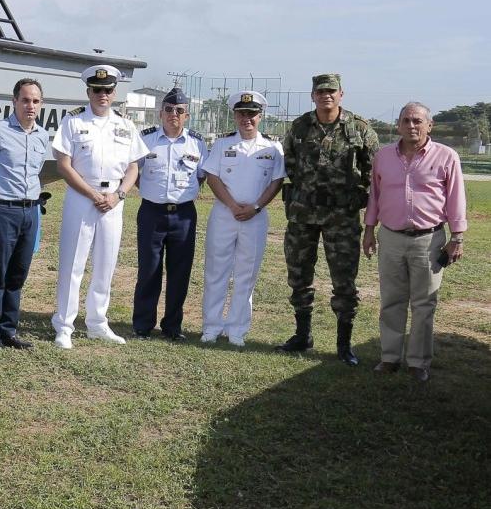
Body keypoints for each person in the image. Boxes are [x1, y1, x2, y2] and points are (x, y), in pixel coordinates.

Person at [277, 73, 379, 365]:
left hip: (342, 217)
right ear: (313, 96)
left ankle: (344, 345)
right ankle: (302, 336)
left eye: (331, 91)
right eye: (320, 91)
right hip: (303, 215)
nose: (326, 96)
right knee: (299, 276)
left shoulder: (359, 128)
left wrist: (361, 202)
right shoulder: (300, 126)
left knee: (344, 280)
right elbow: (289, 162)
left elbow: (374, 171)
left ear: (341, 94)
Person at [362, 102, 466, 382]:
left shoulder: (446, 156)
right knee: (391, 300)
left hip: (429, 240)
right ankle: (389, 358)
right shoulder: (383, 157)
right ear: (398, 125)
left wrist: (457, 236)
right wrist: (369, 230)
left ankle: (418, 362)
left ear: (429, 125)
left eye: (418, 121)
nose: (412, 126)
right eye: (406, 120)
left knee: (424, 303)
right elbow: (375, 195)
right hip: (391, 237)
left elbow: (456, 198)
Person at [49, 64, 147, 348]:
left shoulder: (126, 126)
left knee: (106, 264)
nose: (102, 94)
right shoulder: (73, 122)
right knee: (73, 264)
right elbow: (64, 165)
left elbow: (133, 167)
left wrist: (119, 195)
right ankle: (64, 325)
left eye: (107, 90)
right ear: (88, 91)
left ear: (114, 93)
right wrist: (92, 194)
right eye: (97, 90)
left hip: (113, 200)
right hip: (82, 197)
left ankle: (97, 323)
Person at [200, 91, 285, 346]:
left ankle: (237, 329)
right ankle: (212, 326)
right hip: (224, 215)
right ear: (235, 116)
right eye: (241, 114)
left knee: (246, 274)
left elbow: (276, 181)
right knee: (216, 271)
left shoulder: (273, 147)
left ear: (260, 116)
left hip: (255, 218)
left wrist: (256, 207)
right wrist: (232, 205)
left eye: (252, 114)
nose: (246, 118)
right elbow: (212, 177)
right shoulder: (223, 144)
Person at [0, 78, 50, 349]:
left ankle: (9, 329)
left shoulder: (42, 136)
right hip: (3, 210)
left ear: (41, 104)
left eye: (35, 101)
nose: (30, 106)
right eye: (25, 100)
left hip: (30, 211)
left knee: (18, 274)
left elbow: (36, 171)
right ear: (14, 101)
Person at [131, 87, 206, 340]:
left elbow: (201, 176)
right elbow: (133, 172)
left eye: (179, 110)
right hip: (151, 212)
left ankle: (173, 327)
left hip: (183, 215)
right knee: (149, 269)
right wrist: (150, 191)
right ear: (161, 113)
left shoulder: (197, 143)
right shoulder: (146, 139)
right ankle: (143, 325)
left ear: (187, 115)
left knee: (180, 272)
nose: (174, 113)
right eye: (169, 109)